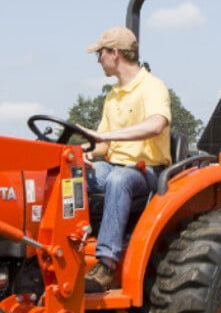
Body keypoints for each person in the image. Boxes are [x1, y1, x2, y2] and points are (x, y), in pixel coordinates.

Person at [74, 26, 172, 293]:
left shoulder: (152, 87)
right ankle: (64, 251)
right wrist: (77, 153)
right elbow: (103, 143)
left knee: (118, 179)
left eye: (100, 54)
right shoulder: (113, 95)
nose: (98, 60)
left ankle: (106, 263)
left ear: (114, 53)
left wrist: (112, 135)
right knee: (72, 174)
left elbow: (155, 125)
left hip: (146, 172)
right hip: (113, 165)